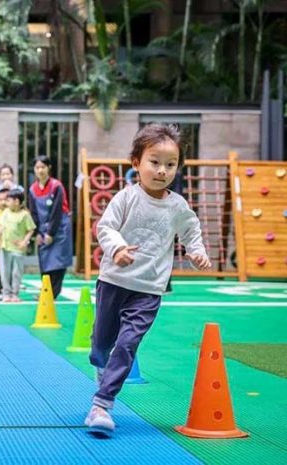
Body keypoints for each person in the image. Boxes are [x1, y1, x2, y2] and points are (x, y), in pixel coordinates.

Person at [85, 124, 211, 437]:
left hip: (148, 290)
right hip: (113, 281)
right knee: (101, 346)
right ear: (136, 164)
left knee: (128, 344)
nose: (162, 170)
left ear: (178, 168)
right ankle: (100, 360)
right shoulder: (126, 198)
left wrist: (196, 251)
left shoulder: (177, 206)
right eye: (154, 162)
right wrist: (117, 248)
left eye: (170, 165)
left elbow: (191, 230)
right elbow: (105, 227)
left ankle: (102, 404)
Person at [28, 155, 72, 301]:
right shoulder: (33, 189)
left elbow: (57, 211)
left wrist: (51, 233)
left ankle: (53, 293)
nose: (40, 170)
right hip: (42, 229)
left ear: (49, 168)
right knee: (45, 261)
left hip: (59, 228)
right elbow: (33, 212)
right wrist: (37, 233)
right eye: (37, 167)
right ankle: (46, 292)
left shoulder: (56, 186)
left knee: (58, 262)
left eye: (43, 167)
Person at [0, 189, 36, 302]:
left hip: (17, 249)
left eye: (8, 200)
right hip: (5, 247)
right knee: (4, 272)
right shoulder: (6, 212)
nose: (6, 203)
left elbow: (31, 229)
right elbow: (1, 226)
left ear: (16, 201)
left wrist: (24, 242)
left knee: (16, 272)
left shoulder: (25, 215)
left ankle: (15, 294)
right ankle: (6, 293)